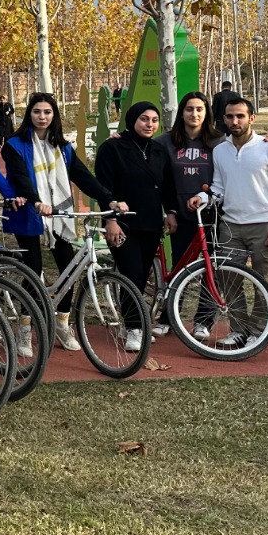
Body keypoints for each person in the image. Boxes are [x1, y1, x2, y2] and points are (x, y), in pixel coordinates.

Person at [2, 93, 123, 350]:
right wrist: (35, 201)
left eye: (47, 112)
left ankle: (62, 322)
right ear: (29, 115)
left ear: (54, 115)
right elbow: (21, 179)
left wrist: (108, 199)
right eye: (37, 112)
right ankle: (24, 327)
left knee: (69, 268)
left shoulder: (64, 147)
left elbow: (82, 176)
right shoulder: (14, 145)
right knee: (33, 270)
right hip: (28, 212)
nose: (42, 117)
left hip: (58, 215)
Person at [212, 97, 268, 349]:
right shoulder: (219, 150)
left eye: (240, 116)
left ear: (252, 118)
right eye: (229, 117)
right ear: (223, 119)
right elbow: (218, 187)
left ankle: (260, 330)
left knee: (264, 280)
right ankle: (238, 329)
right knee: (229, 279)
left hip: (264, 225)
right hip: (230, 225)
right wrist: (203, 198)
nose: (234, 121)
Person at [95, 102, 177, 351]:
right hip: (121, 224)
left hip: (151, 223)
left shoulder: (160, 151)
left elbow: (168, 187)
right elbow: (103, 187)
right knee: (132, 274)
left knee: (141, 276)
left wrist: (171, 212)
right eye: (144, 119)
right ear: (132, 120)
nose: (149, 124)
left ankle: (129, 322)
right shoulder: (113, 147)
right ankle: (134, 327)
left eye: (154, 120)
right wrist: (110, 220)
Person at [165, 92, 221, 339]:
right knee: (180, 269)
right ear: (182, 111)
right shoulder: (166, 142)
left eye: (200, 109)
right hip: (181, 216)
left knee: (212, 269)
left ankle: (203, 321)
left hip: (214, 216)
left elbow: (248, 143)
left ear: (207, 112)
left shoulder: (221, 142)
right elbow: (140, 148)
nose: (194, 114)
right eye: (189, 109)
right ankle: (169, 316)